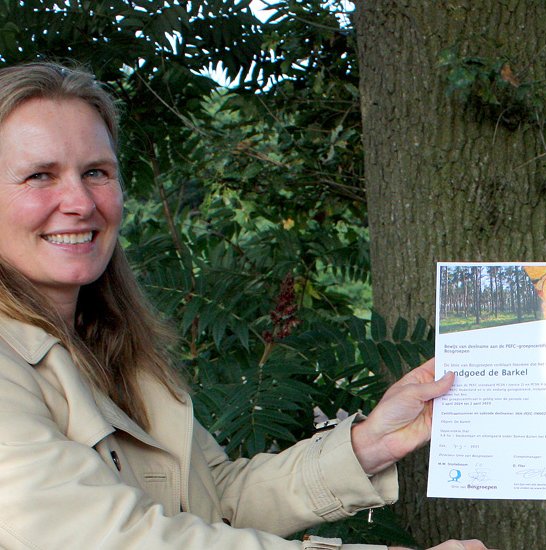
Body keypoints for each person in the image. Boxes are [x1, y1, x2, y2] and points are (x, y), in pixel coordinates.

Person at [0, 61, 486, 550]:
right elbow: (111, 540)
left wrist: (369, 443)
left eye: (96, 172)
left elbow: (216, 500)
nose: (80, 202)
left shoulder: (111, 347)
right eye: (40, 175)